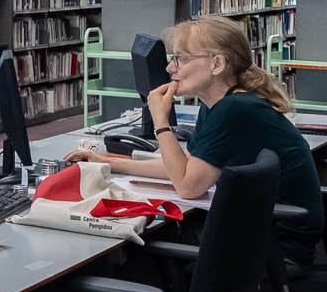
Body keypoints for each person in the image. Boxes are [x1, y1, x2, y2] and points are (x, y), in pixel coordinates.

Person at [67, 17, 322, 269]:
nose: (169, 68)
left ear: (217, 64)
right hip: (263, 237)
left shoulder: (234, 109)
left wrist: (160, 121)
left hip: (278, 253)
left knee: (137, 241)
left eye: (180, 58)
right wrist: (108, 163)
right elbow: (186, 167)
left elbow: (188, 186)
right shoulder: (219, 105)